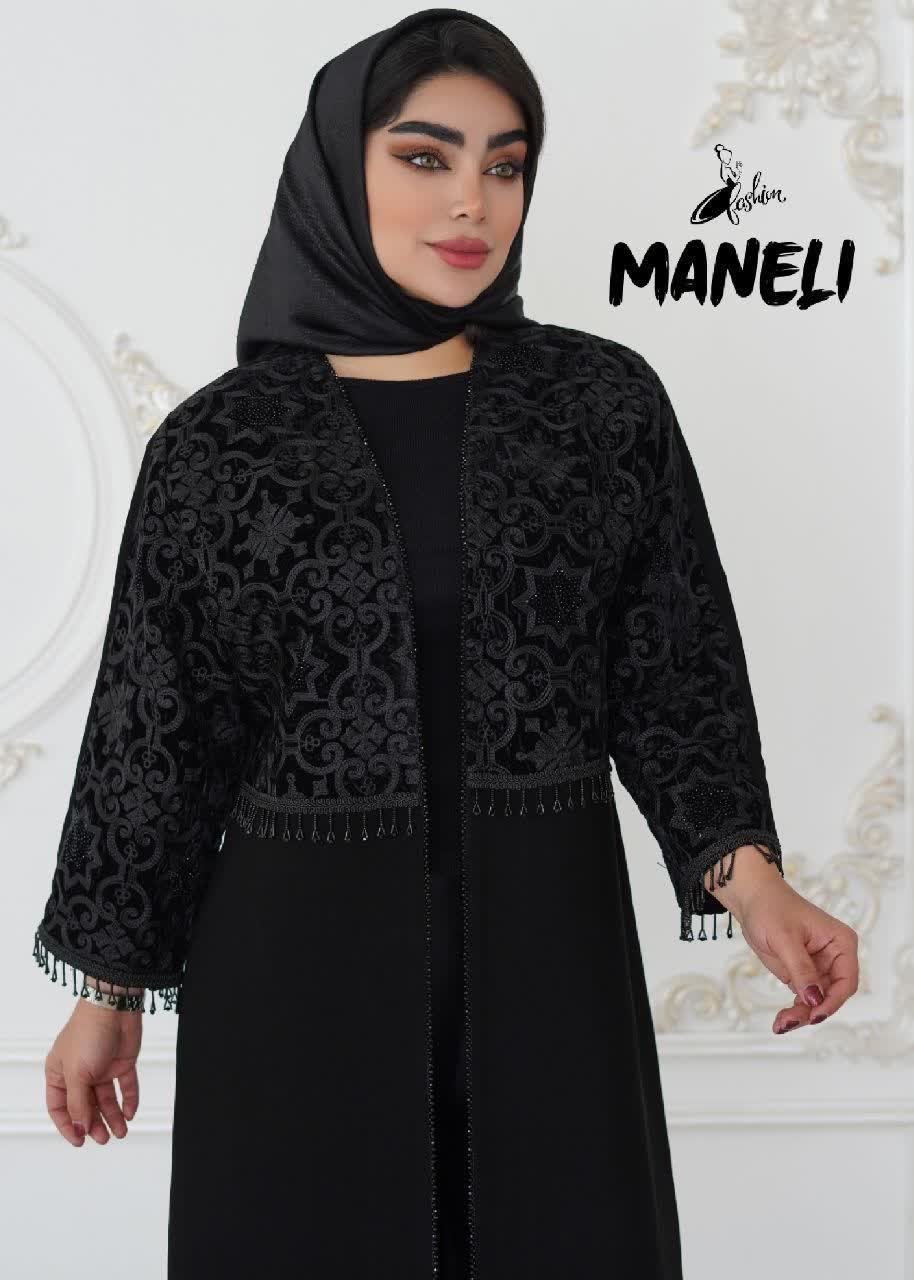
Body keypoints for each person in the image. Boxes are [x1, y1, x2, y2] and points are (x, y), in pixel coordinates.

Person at [34, 9, 860, 1278]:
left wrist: (754, 884)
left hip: (548, 956)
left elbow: (670, 670)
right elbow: (161, 732)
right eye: (424, 156)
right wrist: (107, 997)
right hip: (293, 973)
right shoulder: (219, 445)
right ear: (337, 166)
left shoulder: (597, 405)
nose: (472, 200)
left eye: (504, 163)